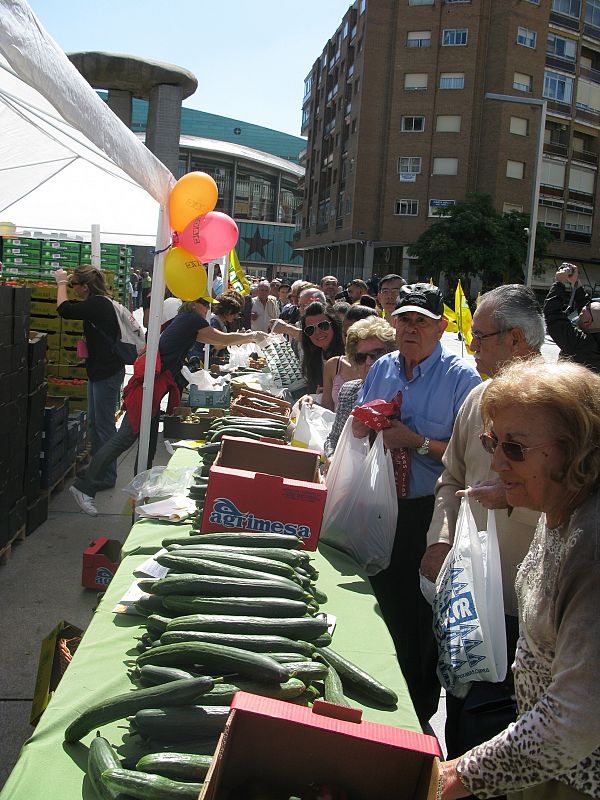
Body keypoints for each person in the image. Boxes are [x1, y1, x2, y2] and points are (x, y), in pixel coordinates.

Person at [439, 359, 600, 800]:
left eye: (514, 449)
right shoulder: (561, 508)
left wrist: (463, 774)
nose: (495, 462)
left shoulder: (592, 547)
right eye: (493, 442)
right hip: (549, 764)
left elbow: (576, 718)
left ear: (576, 449)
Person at [422, 285, 546, 760]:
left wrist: (515, 498)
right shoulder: (478, 397)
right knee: (466, 722)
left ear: (516, 339)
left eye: (481, 337)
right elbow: (452, 476)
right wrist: (440, 539)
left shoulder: (565, 406)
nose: (470, 348)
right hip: (470, 600)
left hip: (530, 612)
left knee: (512, 741)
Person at [352, 283, 481, 725]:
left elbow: (470, 461)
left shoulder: (463, 379)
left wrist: (417, 441)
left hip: (428, 513)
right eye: (404, 319)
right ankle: (380, 696)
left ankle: (419, 712)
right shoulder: (382, 367)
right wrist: (364, 427)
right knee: (378, 604)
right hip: (378, 502)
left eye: (421, 321)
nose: (411, 328)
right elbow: (358, 428)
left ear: (441, 326)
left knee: (420, 619)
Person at [69, 299, 263, 516]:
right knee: (124, 438)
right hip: (148, 387)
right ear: (195, 305)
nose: (208, 310)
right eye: (205, 305)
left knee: (149, 445)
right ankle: (84, 487)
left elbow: (215, 342)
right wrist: (253, 336)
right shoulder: (190, 319)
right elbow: (221, 339)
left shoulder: (186, 321)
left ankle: (141, 494)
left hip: (155, 387)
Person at [54, 265, 126, 493]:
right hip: (101, 370)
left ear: (85, 287)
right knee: (96, 424)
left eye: (75, 285)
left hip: (106, 372)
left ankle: (107, 475)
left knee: (104, 426)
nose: (73, 288)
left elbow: (64, 310)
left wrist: (61, 283)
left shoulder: (98, 304)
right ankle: (98, 468)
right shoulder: (100, 302)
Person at [324, 316, 396, 458]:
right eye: (361, 357)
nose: (369, 362)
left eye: (377, 355)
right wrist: (331, 458)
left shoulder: (402, 394)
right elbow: (333, 439)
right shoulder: (348, 390)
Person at [543, 262, 600, 373]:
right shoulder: (593, 334)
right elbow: (589, 308)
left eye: (586, 309)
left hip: (572, 388)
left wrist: (558, 283)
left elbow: (553, 315)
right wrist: (576, 283)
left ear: (588, 322)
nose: (583, 307)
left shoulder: (580, 344)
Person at [300, 301, 345, 394]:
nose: (317, 332)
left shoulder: (348, 354)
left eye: (323, 325)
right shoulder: (314, 357)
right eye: (310, 329)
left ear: (334, 325)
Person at [210, 294, 242, 359]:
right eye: (234, 313)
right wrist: (238, 339)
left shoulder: (222, 322)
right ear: (228, 312)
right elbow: (217, 345)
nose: (236, 316)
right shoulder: (214, 322)